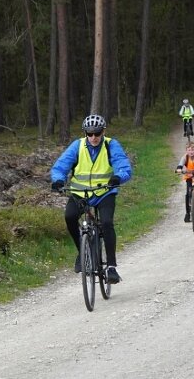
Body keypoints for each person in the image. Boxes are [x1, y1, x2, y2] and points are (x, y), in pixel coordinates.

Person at [50, 114, 133, 284]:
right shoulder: (77, 146)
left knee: (107, 223)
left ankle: (111, 267)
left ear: (103, 131)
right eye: (90, 134)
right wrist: (58, 180)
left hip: (104, 193)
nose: (94, 137)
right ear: (85, 133)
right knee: (70, 217)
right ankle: (82, 252)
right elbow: (60, 166)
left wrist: (118, 177)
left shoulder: (111, 145)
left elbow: (123, 165)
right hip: (80, 193)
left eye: (97, 133)